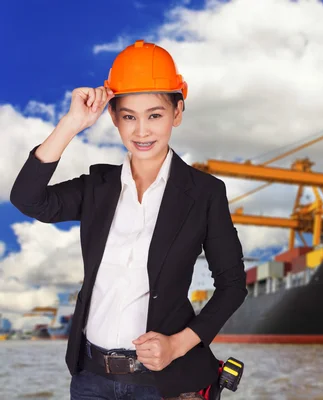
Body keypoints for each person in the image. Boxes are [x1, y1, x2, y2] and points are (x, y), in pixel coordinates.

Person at [10, 40, 248, 399]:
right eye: (128, 117)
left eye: (155, 115)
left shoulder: (204, 193)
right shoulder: (97, 187)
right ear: (113, 117)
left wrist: (179, 345)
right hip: (91, 379)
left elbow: (232, 284)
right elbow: (27, 199)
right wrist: (72, 124)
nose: (141, 131)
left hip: (160, 383)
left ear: (177, 112)